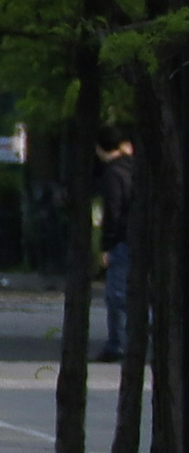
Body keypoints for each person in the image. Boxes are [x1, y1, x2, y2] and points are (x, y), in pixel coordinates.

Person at [100, 135, 134, 362]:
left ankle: (117, 344)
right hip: (144, 238)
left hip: (123, 240)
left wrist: (106, 245)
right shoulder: (141, 169)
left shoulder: (114, 173)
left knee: (117, 295)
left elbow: (113, 210)